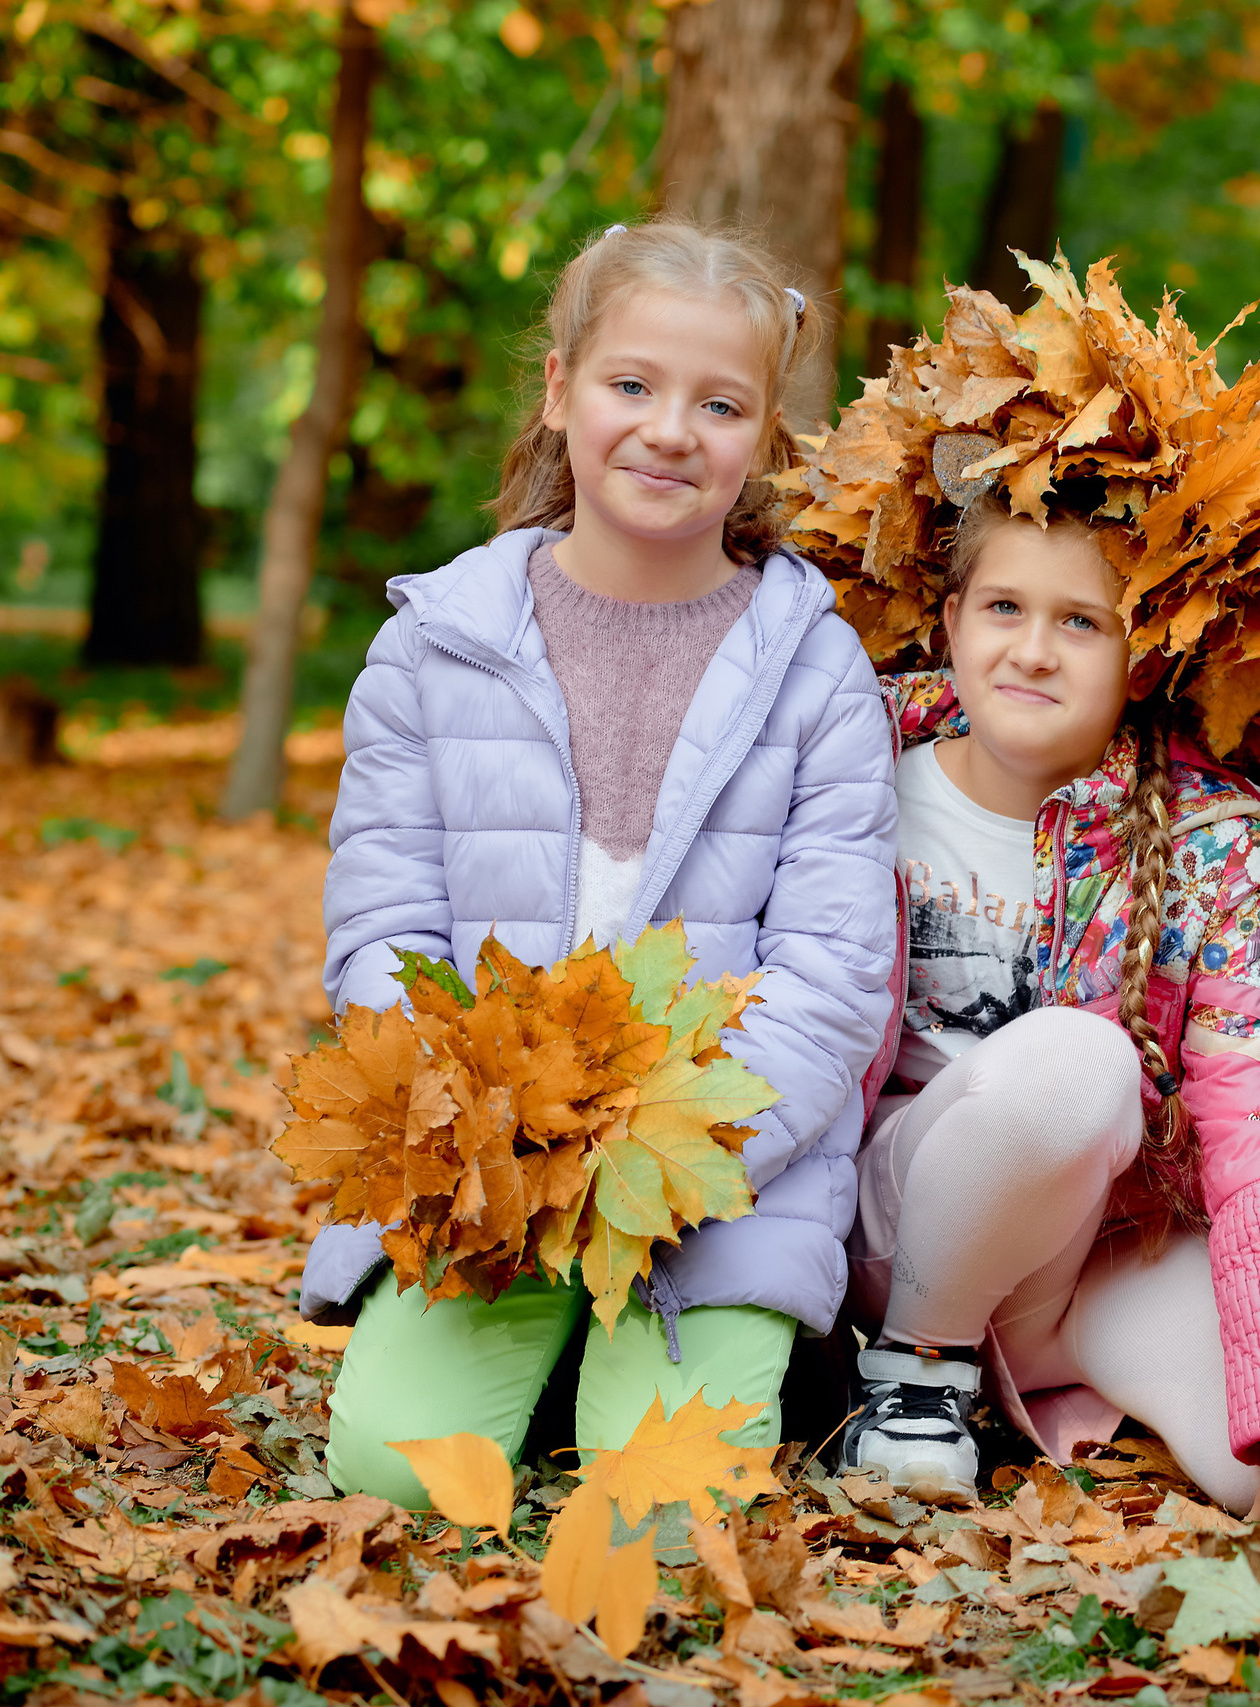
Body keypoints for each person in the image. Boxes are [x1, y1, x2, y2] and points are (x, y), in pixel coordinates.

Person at [791, 261, 1260, 1516]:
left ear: (1145, 657)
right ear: (949, 619)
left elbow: (1255, 1112)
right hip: (880, 1228)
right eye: (1004, 609)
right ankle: (914, 1377)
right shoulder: (848, 765)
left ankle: (1015, 1375)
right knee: (1076, 1060)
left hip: (1090, 1252)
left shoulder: (1197, 836)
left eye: (1082, 623)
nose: (1032, 649)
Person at [297, 220, 900, 1507]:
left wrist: (668, 1155)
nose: (670, 429)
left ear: (762, 436)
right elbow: (381, 929)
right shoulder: (432, 647)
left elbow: (834, 975)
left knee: (666, 1508)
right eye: (632, 385)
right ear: (563, 390)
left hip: (710, 1187)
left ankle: (659, 1370)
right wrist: (489, 1137)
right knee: (394, 1480)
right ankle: (539, 1353)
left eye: (719, 403)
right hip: (483, 1178)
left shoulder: (818, 667)